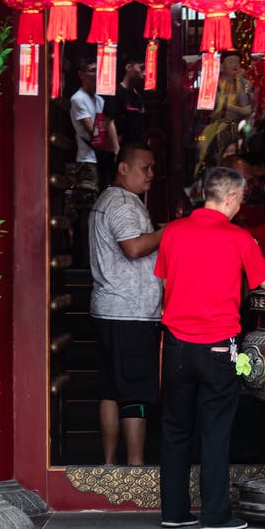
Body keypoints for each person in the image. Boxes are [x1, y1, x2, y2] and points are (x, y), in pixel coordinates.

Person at [155, 167, 265, 529]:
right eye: (242, 199)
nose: (241, 205)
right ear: (230, 198)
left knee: (175, 429)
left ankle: (174, 512)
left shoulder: (173, 232)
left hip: (177, 345)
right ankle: (215, 514)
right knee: (215, 430)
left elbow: (164, 279)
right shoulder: (239, 237)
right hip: (218, 346)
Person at [88, 143, 162, 466]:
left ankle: (108, 464)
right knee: (135, 392)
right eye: (144, 168)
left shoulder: (110, 200)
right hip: (130, 312)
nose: (151, 175)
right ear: (123, 168)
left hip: (109, 308)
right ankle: (134, 469)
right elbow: (132, 247)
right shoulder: (122, 203)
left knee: (111, 389)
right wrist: (168, 231)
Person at [70, 59, 107, 193]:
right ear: (81, 74)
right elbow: (93, 130)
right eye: (92, 70)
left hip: (102, 157)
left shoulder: (100, 99)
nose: (96, 74)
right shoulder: (78, 98)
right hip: (87, 158)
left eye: (98, 70)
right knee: (89, 199)